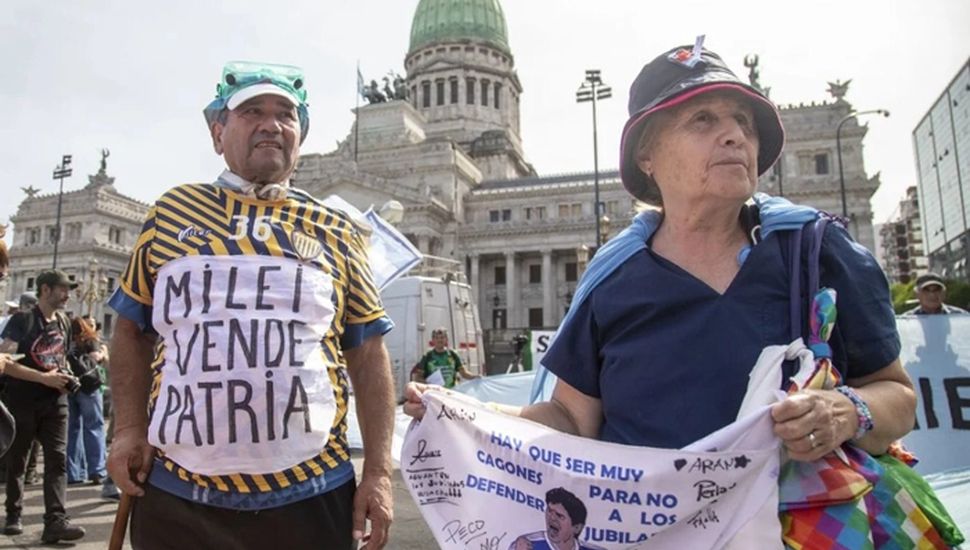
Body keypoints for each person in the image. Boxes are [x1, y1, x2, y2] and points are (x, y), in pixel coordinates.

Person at [406, 42, 915, 542]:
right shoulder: (613, 279)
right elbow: (568, 419)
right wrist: (464, 413)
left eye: (743, 120)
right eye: (703, 120)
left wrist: (846, 412)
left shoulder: (817, 251)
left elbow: (898, 395)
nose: (735, 135)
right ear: (646, 154)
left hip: (802, 529)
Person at [106, 60, 396, 550]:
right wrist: (130, 428)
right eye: (251, 111)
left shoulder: (338, 228)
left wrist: (380, 473)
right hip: (180, 495)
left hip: (310, 496)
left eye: (286, 114)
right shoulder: (170, 213)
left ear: (299, 138)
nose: (271, 124)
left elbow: (367, 353)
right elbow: (131, 329)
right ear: (218, 132)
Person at [0, 269, 85, 542]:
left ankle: (55, 522)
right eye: (62, 289)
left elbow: (63, 357)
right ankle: (13, 514)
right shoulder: (21, 321)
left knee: (57, 460)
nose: (67, 295)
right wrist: (42, 378)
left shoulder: (64, 322)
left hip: (56, 402)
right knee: (19, 460)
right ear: (45, 290)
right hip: (23, 400)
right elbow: (4, 362)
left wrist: (68, 375)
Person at [65, 316, 108, 485]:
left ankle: (73, 472)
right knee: (94, 427)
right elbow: (96, 357)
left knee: (72, 429)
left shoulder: (66, 341)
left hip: (70, 386)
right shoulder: (90, 340)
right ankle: (97, 470)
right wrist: (104, 352)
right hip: (89, 387)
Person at [511, 487, 599, 550]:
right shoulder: (527, 545)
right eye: (549, 511)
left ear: (576, 528)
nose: (552, 517)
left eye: (559, 516)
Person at [410, 328, 479, 388]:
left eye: (442, 337)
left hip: (451, 393)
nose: (439, 340)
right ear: (433, 340)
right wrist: (429, 385)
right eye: (437, 338)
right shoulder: (427, 356)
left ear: (446, 339)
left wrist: (475, 377)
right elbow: (418, 378)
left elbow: (464, 373)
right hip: (434, 394)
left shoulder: (453, 354)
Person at [903, 272, 967, 315]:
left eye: (937, 290)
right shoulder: (907, 320)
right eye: (926, 290)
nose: (932, 294)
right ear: (917, 294)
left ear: (944, 293)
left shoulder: (960, 316)